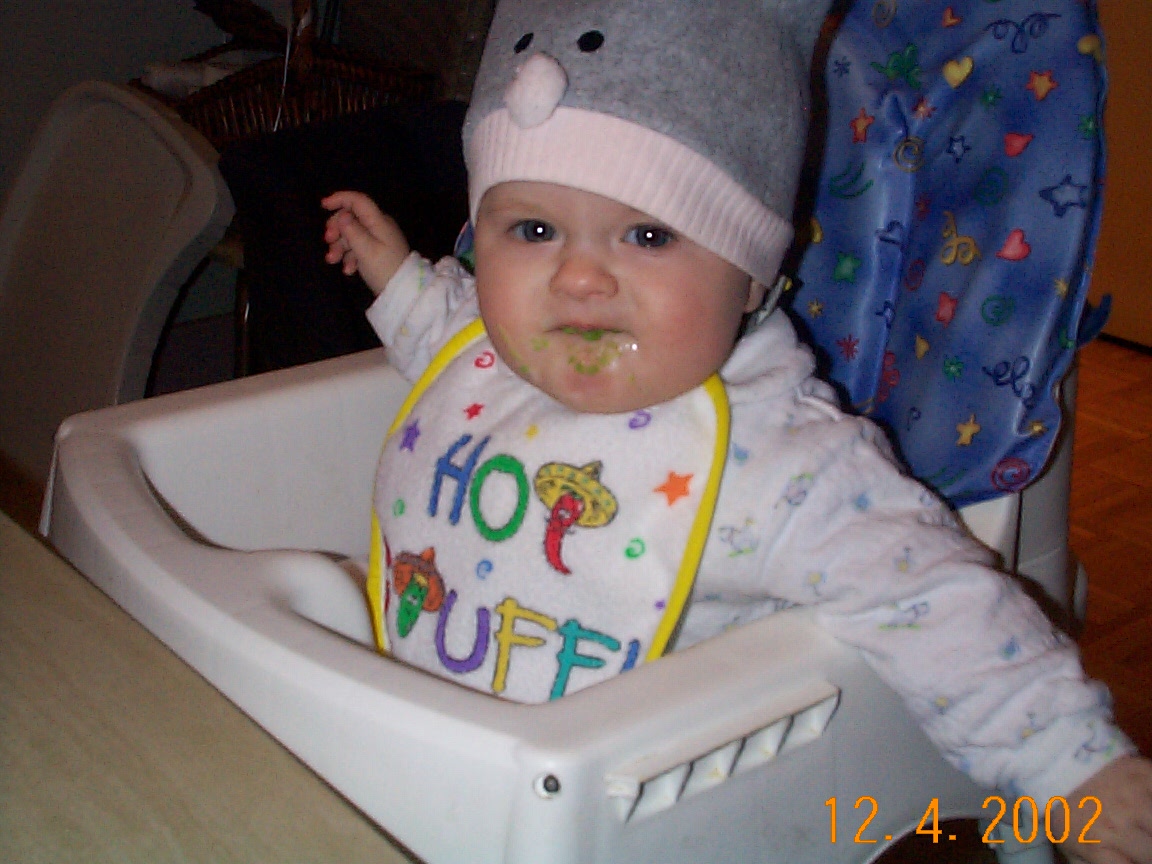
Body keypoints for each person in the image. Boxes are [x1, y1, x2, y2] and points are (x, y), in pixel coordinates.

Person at [321, 0, 1152, 860]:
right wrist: (396, 276)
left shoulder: (778, 463)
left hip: (636, 820)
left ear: (751, 277)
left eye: (648, 234)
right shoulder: (495, 356)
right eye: (533, 230)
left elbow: (930, 600)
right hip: (428, 761)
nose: (578, 278)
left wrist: (1071, 764)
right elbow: (449, 338)